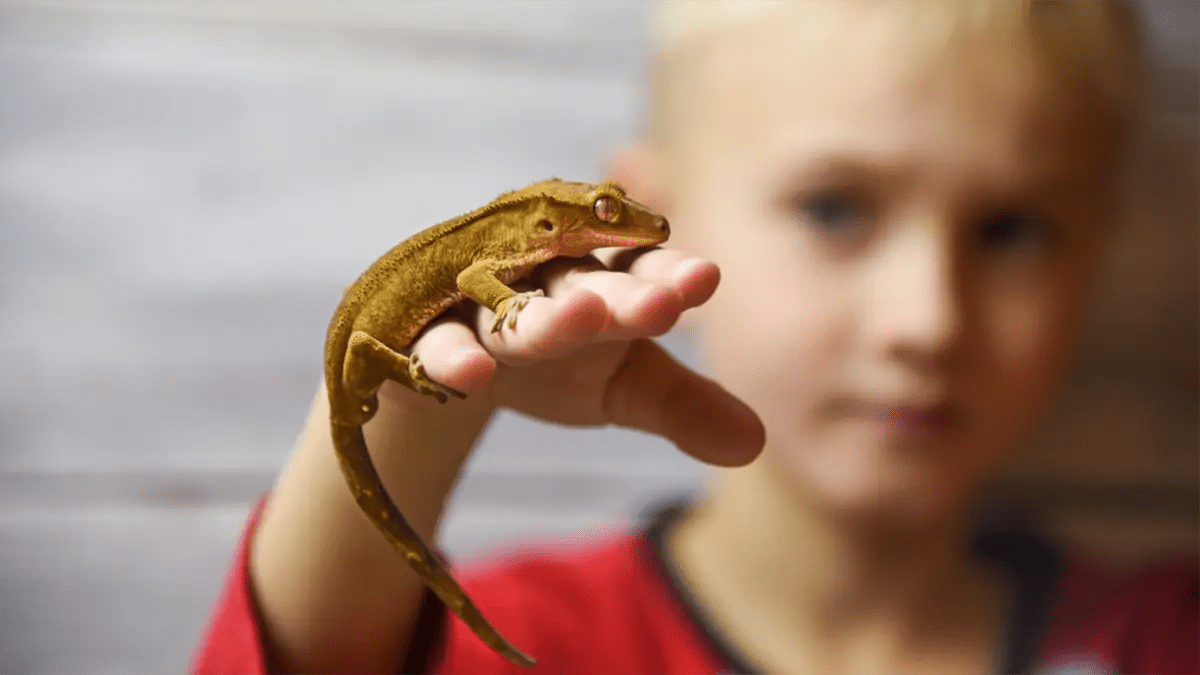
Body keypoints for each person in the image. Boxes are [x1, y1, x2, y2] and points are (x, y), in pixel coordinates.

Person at [190, 1, 1199, 673]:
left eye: (1012, 228)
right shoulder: (528, 642)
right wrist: (417, 412)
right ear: (657, 219)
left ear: (1100, 253)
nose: (926, 321)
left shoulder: (1160, 638)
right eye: (837, 209)